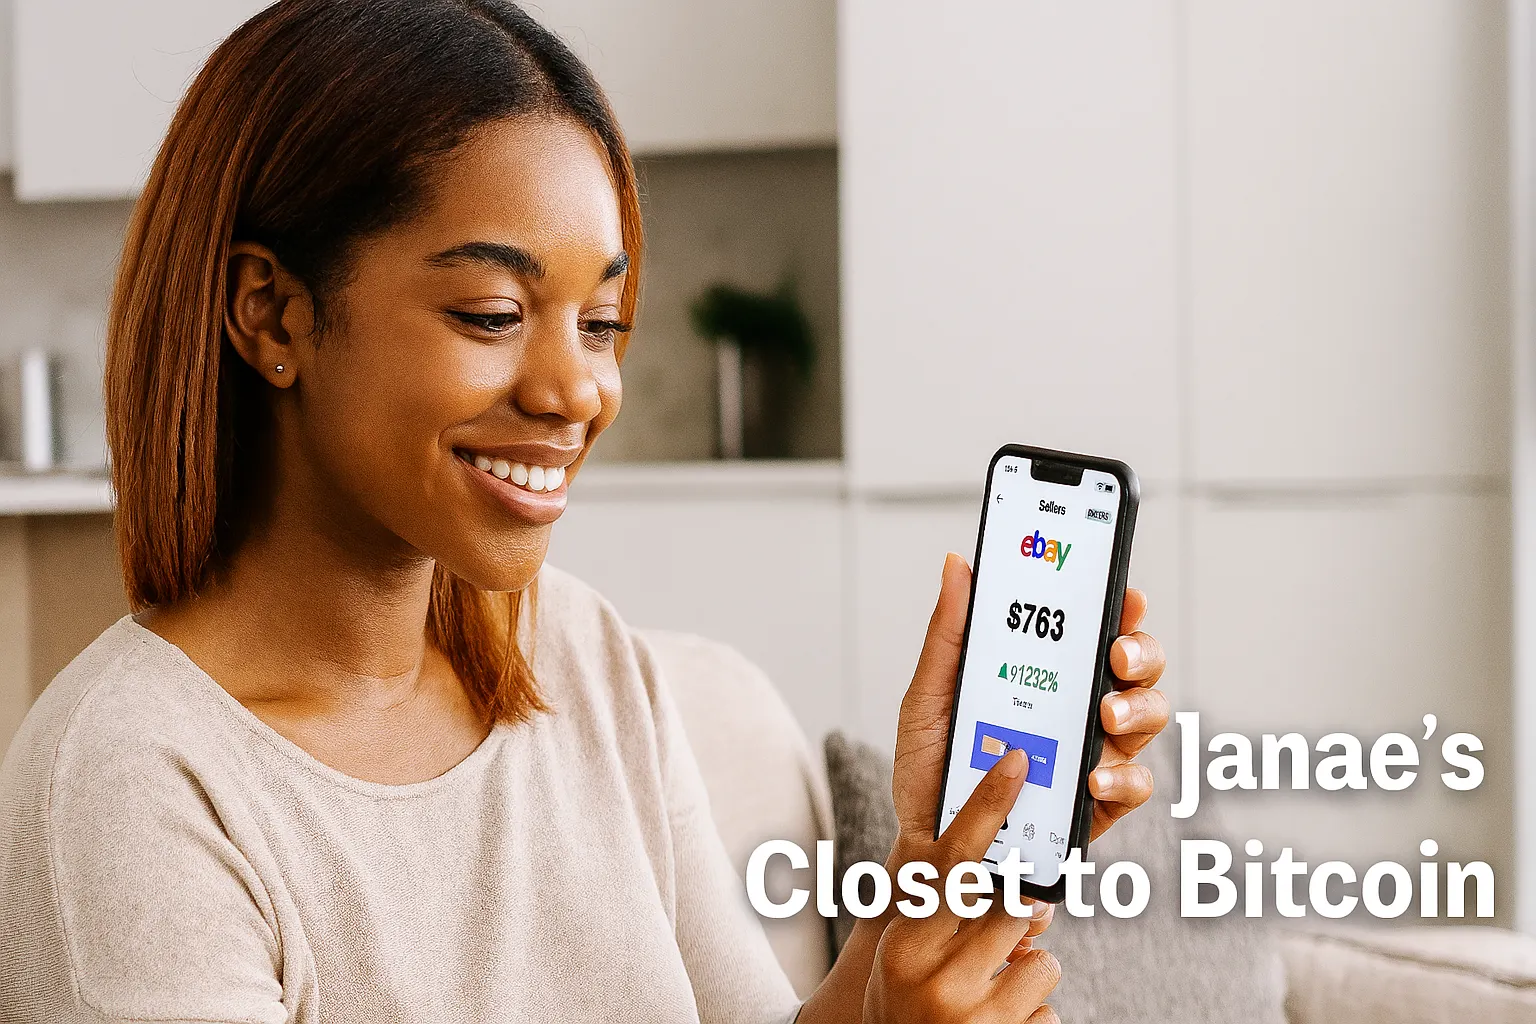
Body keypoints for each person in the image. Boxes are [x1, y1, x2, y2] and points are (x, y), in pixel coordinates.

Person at [0, 2, 1169, 1022]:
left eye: (601, 322)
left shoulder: (580, 655)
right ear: (273, 315)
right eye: (494, 312)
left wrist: (920, 887)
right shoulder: (133, 789)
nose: (577, 392)